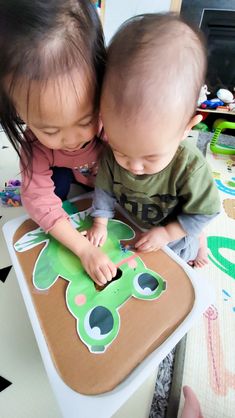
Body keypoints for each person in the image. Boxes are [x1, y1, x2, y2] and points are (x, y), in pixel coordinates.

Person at [86, 13, 220, 267]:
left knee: (181, 260)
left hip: (176, 231)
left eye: (151, 157)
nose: (134, 167)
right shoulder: (111, 152)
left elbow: (206, 211)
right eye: (121, 151)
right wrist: (100, 222)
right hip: (134, 221)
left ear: (186, 129)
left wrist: (169, 233)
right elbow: (104, 189)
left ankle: (200, 243)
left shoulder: (190, 167)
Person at [0, 0, 117, 286]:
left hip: (108, 178)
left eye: (84, 119)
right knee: (53, 195)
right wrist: (83, 249)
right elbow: (40, 201)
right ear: (16, 110)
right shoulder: (35, 147)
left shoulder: (114, 122)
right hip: (66, 178)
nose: (72, 139)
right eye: (49, 129)